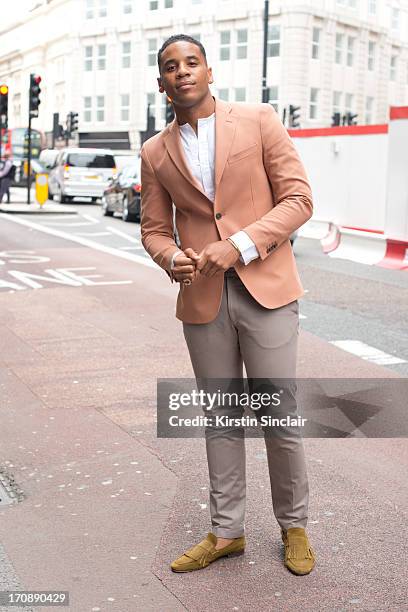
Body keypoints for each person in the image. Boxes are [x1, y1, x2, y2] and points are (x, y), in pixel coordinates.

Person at [140, 34, 316, 576]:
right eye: (172, 66)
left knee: (277, 417)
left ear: (209, 71)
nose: (182, 72)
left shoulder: (259, 120)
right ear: (163, 83)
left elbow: (300, 200)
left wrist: (237, 244)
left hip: (266, 288)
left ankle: (294, 526)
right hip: (202, 300)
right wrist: (173, 260)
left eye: (192, 62)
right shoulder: (153, 151)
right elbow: (153, 230)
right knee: (219, 417)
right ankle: (226, 532)